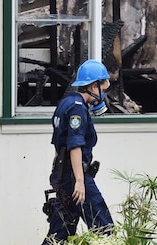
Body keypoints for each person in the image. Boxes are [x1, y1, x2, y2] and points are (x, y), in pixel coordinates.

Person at [43, 59, 114, 244]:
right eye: (103, 89)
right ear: (93, 85)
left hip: (63, 176)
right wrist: (80, 182)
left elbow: (58, 148)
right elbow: (75, 146)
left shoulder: (65, 103)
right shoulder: (77, 109)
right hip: (75, 177)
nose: (103, 94)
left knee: (59, 234)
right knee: (104, 228)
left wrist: (57, 179)